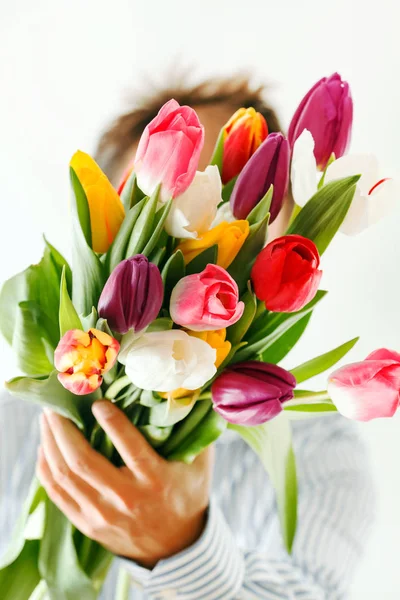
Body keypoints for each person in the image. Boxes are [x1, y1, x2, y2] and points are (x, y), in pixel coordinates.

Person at [0, 75, 374, 599]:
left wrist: (181, 549)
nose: (195, 239)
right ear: (100, 228)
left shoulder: (320, 458)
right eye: (152, 209)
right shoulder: (14, 424)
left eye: (232, 193)